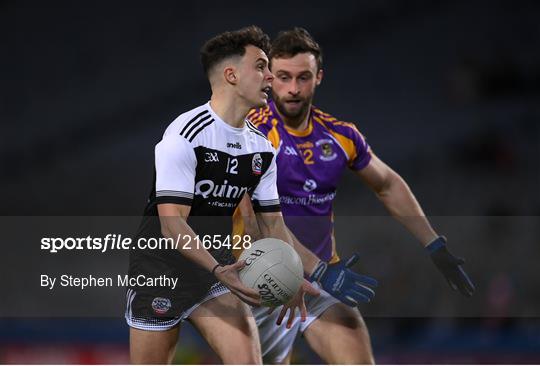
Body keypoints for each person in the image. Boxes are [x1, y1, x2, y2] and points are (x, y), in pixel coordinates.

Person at [235, 27, 475, 364]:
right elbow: (260, 219)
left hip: (322, 281)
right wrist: (319, 270)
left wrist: (434, 245)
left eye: (303, 77)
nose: (293, 89)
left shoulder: (341, 135)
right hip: (262, 280)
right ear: (270, 78)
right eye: (284, 77)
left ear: (319, 77)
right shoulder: (251, 132)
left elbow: (387, 184)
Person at [125, 26, 317, 364]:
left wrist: (293, 274)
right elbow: (172, 228)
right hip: (160, 268)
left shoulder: (261, 146)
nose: (271, 76)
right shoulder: (184, 135)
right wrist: (218, 270)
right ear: (231, 74)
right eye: (260, 66)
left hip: (215, 270)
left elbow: (272, 224)